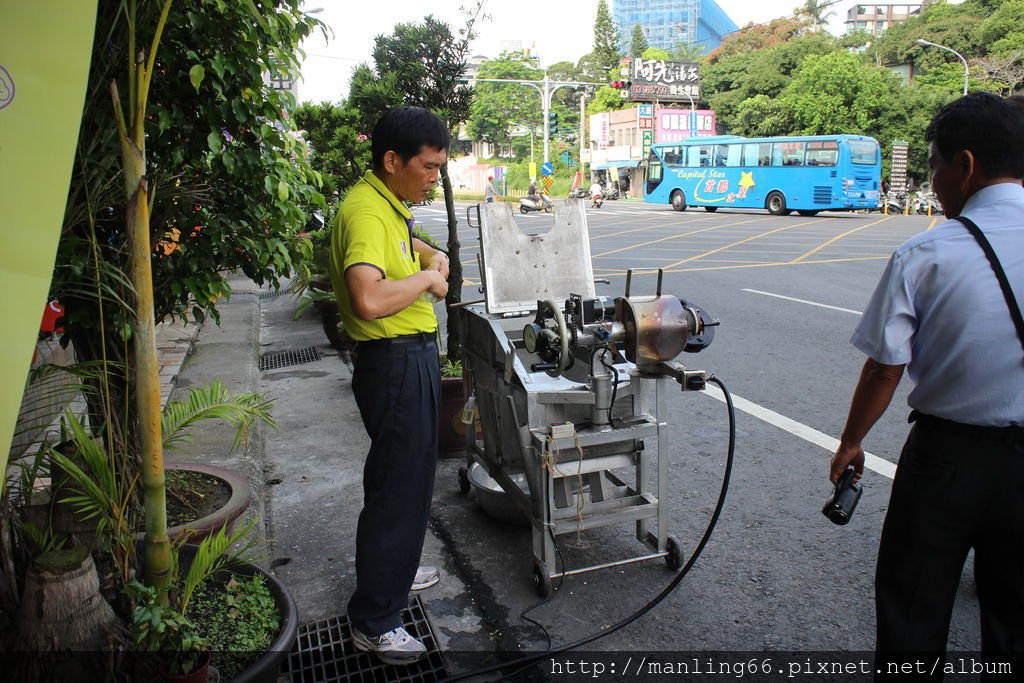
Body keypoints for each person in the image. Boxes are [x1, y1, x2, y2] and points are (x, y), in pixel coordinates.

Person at [830, 93, 1024, 678]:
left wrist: (850, 442)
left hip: (947, 460)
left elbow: (885, 368)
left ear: (965, 164)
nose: (933, 181)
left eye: (935, 165)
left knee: (914, 606)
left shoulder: (928, 251)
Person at [329, 106, 451, 666]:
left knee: (403, 483)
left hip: (405, 361)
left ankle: (395, 571)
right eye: (428, 167)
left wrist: (427, 253)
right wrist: (428, 279)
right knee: (399, 490)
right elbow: (369, 299)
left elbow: (400, 248)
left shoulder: (386, 205)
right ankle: (375, 620)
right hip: (396, 363)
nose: (434, 177)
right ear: (392, 160)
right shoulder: (367, 214)